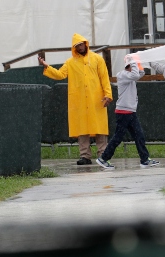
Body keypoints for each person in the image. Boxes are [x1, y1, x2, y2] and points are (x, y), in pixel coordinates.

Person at [38, 33, 112, 165]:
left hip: (97, 99)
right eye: (77, 45)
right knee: (82, 129)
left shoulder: (97, 59)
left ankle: (103, 154)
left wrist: (108, 94)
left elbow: (104, 78)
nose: (80, 47)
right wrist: (46, 67)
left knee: (100, 128)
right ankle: (85, 156)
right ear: (74, 47)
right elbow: (61, 74)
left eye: (81, 44)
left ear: (85, 44)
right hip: (79, 101)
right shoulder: (70, 62)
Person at [96, 57, 160, 170]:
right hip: (123, 112)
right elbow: (135, 75)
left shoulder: (130, 76)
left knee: (139, 135)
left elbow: (140, 73)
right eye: (133, 65)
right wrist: (133, 61)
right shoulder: (123, 75)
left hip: (130, 111)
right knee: (118, 137)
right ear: (129, 66)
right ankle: (103, 158)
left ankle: (144, 159)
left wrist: (139, 63)